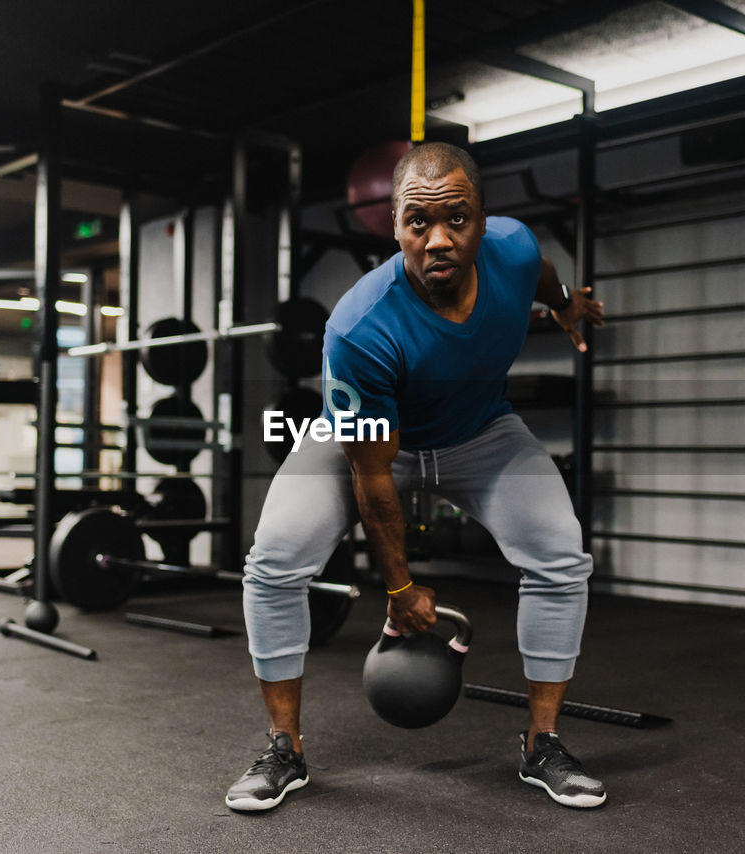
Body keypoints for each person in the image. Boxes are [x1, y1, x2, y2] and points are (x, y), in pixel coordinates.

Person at [225, 141, 606, 812]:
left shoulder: (513, 250)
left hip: (480, 433)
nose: (438, 239)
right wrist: (398, 587)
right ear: (395, 226)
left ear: (484, 221)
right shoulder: (360, 326)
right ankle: (283, 748)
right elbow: (373, 477)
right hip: (370, 445)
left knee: (560, 555)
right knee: (274, 559)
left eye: (456, 219)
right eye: (417, 222)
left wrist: (565, 306)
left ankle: (541, 745)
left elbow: (541, 275)